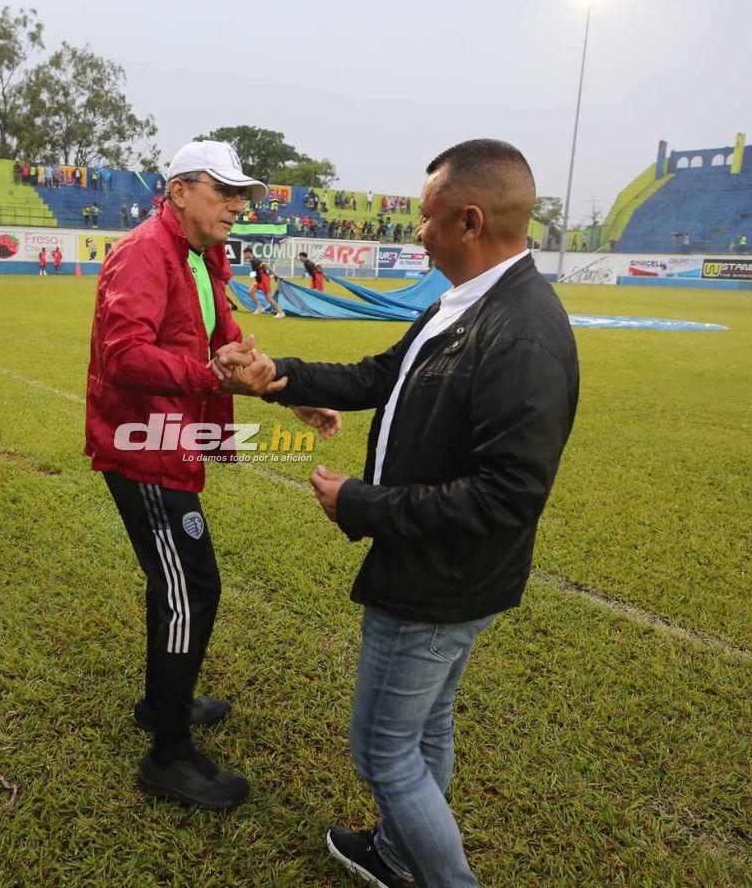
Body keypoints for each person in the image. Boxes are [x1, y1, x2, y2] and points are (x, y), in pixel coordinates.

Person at [212, 138, 579, 887]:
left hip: (440, 579)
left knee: (382, 750)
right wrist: (275, 374)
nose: (417, 230)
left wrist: (362, 503)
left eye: (427, 216)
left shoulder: (523, 333)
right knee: (427, 728)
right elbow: (383, 374)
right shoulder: (464, 303)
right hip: (438, 569)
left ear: (470, 221)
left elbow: (508, 496)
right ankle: (397, 853)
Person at [86, 140, 320, 812]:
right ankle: (167, 753)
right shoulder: (144, 253)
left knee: (186, 584)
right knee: (191, 587)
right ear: (180, 190)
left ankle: (166, 703)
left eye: (241, 193)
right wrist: (205, 376)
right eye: (223, 190)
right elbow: (123, 353)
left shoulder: (199, 258)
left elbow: (228, 346)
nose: (237, 205)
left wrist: (287, 391)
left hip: (171, 444)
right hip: (142, 448)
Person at [242, 247, 283, 318]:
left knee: (268, 297)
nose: (244, 256)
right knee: (250, 292)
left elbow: (265, 264)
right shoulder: (252, 260)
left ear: (248, 253)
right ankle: (260, 308)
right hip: (259, 280)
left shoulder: (254, 260)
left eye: (244, 254)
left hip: (264, 280)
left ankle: (280, 312)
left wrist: (274, 274)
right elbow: (258, 269)